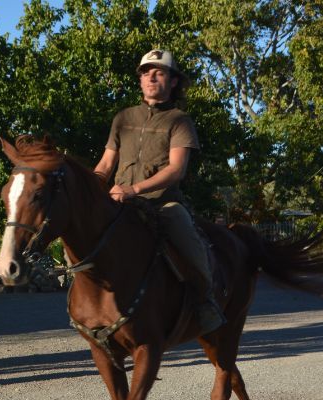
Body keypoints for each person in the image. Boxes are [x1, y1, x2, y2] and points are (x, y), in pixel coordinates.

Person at [93, 49, 225, 334]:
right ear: (140, 80)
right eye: (146, 73)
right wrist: (89, 189)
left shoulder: (179, 120)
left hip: (162, 204)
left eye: (159, 72)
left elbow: (176, 169)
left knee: (185, 234)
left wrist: (134, 189)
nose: (151, 78)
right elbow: (105, 165)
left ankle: (205, 301)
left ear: (173, 81)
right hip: (120, 203)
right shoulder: (123, 118)